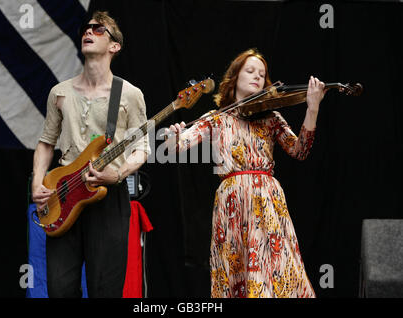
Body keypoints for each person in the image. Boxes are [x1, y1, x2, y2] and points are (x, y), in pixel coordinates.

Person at [166, 48, 326, 298]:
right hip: (232, 203)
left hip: (266, 200)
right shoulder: (217, 118)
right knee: (233, 270)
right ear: (234, 77)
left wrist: (312, 108)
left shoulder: (271, 118)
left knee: (274, 269)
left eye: (261, 75)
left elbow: (300, 150)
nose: (256, 77)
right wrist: (174, 136)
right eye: (250, 71)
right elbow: (178, 145)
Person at [31, 11, 150, 298]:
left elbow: (142, 148)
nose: (89, 32)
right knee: (59, 289)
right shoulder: (59, 92)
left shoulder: (130, 94)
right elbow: (46, 142)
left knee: (105, 289)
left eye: (99, 30)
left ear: (114, 46)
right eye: (87, 28)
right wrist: (37, 182)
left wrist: (118, 173)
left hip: (107, 196)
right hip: (63, 194)